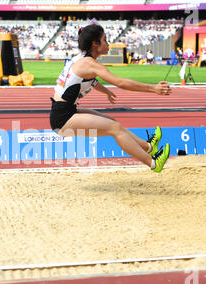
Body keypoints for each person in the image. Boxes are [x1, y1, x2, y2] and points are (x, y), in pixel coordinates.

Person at [50, 24, 171, 173]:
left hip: (65, 111)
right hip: (62, 118)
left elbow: (89, 80)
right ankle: (153, 163)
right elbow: (120, 82)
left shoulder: (80, 59)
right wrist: (154, 89)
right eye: (105, 40)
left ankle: (149, 147)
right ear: (95, 44)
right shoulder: (91, 64)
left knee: (113, 123)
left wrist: (105, 91)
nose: (108, 44)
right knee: (115, 129)